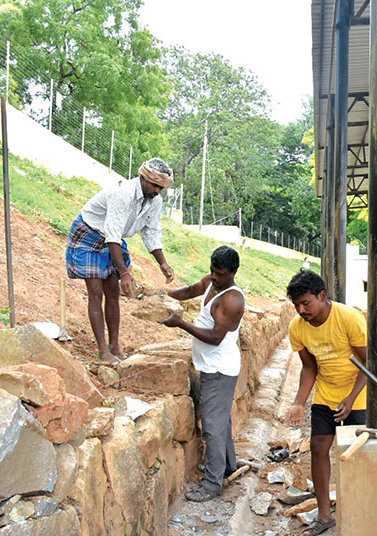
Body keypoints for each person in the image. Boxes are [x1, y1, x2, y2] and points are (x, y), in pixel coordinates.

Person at [65, 158, 175, 364]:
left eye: (161, 188)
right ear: (143, 178)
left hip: (111, 240)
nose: (157, 191)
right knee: (96, 292)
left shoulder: (154, 201)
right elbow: (113, 234)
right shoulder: (122, 193)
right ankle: (103, 350)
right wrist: (124, 273)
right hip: (89, 234)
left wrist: (163, 263)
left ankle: (115, 345)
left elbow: (151, 231)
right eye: (154, 186)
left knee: (113, 292)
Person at [284, 270, 368, 536]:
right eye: (296, 305)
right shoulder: (297, 327)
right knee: (319, 447)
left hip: (358, 394)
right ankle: (324, 515)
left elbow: (369, 363)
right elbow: (309, 368)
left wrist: (351, 399)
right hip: (326, 394)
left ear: (322, 296)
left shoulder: (349, 319)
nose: (301, 310)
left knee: (358, 454)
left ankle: (360, 514)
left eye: (305, 303)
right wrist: (299, 402)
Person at [161, 246, 246, 502]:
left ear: (233, 272)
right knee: (220, 421)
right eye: (212, 271)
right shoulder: (211, 282)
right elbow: (190, 291)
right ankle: (228, 466)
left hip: (220, 368)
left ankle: (212, 484)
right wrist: (164, 296)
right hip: (210, 365)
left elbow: (216, 337)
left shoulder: (232, 300)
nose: (215, 277)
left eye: (220, 274)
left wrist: (181, 324)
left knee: (212, 426)